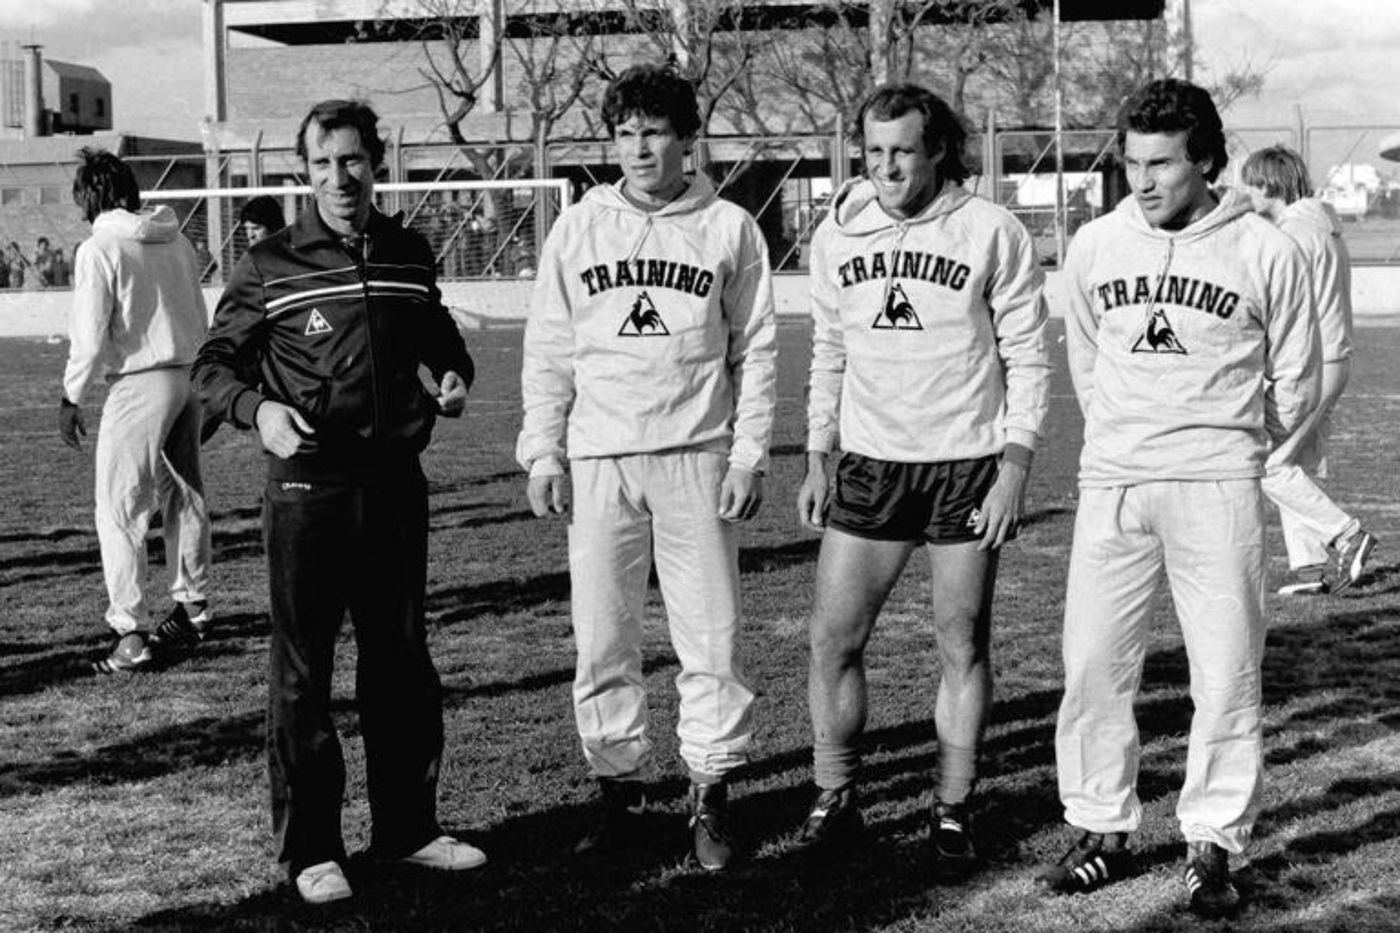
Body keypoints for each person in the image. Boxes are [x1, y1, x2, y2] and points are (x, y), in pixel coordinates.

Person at [1037, 79, 1319, 919]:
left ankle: (1212, 842)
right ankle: (1098, 828)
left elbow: (1295, 380)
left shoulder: (1265, 248)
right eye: (1131, 163)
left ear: (1205, 161)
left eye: (1161, 163)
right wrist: (1127, 434)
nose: (1143, 181)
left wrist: (1229, 439)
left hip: (1218, 484)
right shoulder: (1094, 244)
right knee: (1093, 663)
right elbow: (1086, 357)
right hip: (1115, 480)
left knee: (1226, 670)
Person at [191, 99, 483, 906]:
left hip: (394, 488)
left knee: (400, 665)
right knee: (303, 674)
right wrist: (260, 412)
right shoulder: (270, 265)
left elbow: (439, 337)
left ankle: (407, 829)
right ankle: (313, 847)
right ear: (303, 172)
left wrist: (453, 375)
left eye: (351, 160)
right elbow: (212, 367)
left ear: (376, 162)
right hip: (309, 496)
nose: (338, 177)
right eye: (322, 164)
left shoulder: (408, 251)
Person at [516, 63, 777, 873]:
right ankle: (620, 794)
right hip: (599, 459)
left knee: (711, 636)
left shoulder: (729, 226)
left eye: (654, 132)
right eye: (625, 132)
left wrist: (750, 452)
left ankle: (710, 793)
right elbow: (549, 349)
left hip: (695, 454)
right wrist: (542, 448)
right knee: (603, 637)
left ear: (687, 140)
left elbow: (757, 350)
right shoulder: (579, 227)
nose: (638, 148)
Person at [790, 83, 1051, 882]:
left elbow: (1029, 356)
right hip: (871, 465)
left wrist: (1015, 466)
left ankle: (952, 803)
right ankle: (835, 795)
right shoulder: (838, 231)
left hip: (965, 467)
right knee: (832, 639)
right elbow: (828, 347)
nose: (887, 167)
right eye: (873, 152)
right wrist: (816, 453)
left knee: (959, 642)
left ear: (938, 147)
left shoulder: (991, 230)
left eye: (902, 150)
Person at [59, 147, 214, 674]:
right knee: (184, 494)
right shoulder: (178, 240)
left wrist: (71, 396)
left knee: (119, 508)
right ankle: (192, 605)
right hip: (188, 373)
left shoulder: (99, 247)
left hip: (140, 382)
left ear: (91, 196)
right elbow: (199, 312)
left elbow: (90, 331)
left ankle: (129, 635)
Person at [1240, 145, 1377, 595]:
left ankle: (1346, 534)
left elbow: (1278, 301)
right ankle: (1310, 569)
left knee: (1265, 463)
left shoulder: (1294, 232)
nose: (1244, 191)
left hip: (1312, 363)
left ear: (1269, 185)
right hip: (1335, 359)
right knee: (1292, 460)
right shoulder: (1324, 222)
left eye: (1250, 182)